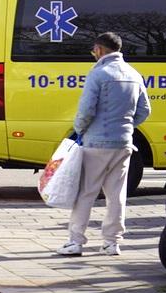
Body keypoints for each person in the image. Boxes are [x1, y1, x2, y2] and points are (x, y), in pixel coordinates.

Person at [59, 31, 150, 256]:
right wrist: (126, 125)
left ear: (99, 50)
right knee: (117, 194)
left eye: (94, 51)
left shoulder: (98, 74)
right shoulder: (134, 74)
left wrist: (80, 130)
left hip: (96, 143)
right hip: (124, 143)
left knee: (86, 192)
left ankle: (76, 241)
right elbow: (145, 110)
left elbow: (86, 110)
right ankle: (112, 243)